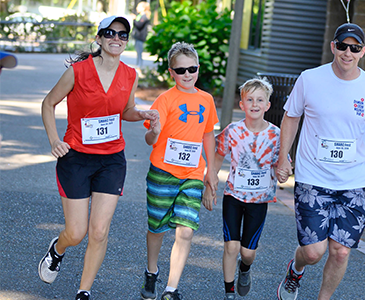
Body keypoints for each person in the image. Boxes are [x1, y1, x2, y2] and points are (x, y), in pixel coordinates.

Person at [276, 23, 365, 300]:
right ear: (333, 47)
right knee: (313, 252)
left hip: (352, 182)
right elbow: (291, 117)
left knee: (341, 250)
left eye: (354, 47)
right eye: (343, 46)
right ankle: (296, 270)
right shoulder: (310, 79)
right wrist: (282, 156)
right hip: (313, 176)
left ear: (362, 52)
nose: (348, 52)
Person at [38, 15, 159, 300]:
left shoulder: (130, 74)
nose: (116, 39)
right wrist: (55, 140)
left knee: (100, 231)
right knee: (77, 232)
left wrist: (140, 114)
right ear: (99, 38)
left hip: (111, 159)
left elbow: (125, 110)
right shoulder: (78, 71)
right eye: (110, 33)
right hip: (76, 157)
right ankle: (58, 249)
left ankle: (84, 291)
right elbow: (48, 103)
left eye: (122, 35)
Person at [140, 41, 219, 300]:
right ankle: (152, 272)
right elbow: (150, 139)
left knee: (185, 230)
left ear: (198, 68)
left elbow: (208, 135)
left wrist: (211, 172)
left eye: (192, 69)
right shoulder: (164, 99)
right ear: (171, 72)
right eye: (181, 70)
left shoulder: (206, 100)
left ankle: (171, 289)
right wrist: (153, 131)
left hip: (192, 174)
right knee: (157, 228)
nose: (187, 75)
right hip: (163, 171)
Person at [203, 77, 282, 300]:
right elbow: (217, 157)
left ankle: (244, 268)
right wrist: (210, 185)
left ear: (267, 105)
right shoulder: (233, 131)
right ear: (242, 104)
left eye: (260, 100)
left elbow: (281, 165)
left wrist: (283, 172)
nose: (254, 104)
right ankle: (229, 293)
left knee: (247, 252)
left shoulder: (276, 135)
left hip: (259, 200)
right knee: (230, 246)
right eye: (250, 100)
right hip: (234, 196)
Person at [132, 1, 151, 69]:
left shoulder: (144, 17)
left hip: (140, 37)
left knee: (139, 52)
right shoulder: (139, 16)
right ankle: (138, 65)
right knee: (138, 51)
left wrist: (134, 19)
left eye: (138, 7)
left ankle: (139, 65)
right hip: (137, 36)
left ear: (143, 8)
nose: (137, 8)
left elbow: (139, 25)